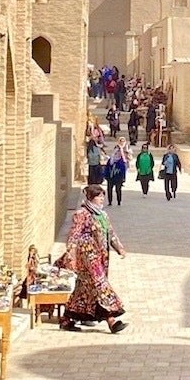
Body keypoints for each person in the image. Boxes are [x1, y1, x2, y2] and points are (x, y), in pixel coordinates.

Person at [60, 184, 128, 333]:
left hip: (101, 256)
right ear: (90, 197)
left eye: (103, 195)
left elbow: (110, 233)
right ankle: (112, 320)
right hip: (87, 256)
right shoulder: (82, 214)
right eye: (99, 196)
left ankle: (66, 319)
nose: (102, 198)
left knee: (84, 289)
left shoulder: (102, 215)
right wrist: (71, 256)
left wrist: (119, 248)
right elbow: (73, 236)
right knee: (101, 284)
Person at [106, 138, 129, 206]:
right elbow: (107, 168)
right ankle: (110, 201)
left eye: (118, 152)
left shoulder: (121, 161)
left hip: (118, 178)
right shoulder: (110, 161)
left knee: (118, 189)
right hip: (110, 177)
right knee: (109, 189)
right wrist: (106, 176)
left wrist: (123, 178)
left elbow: (123, 169)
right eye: (116, 152)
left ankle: (119, 201)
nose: (117, 154)